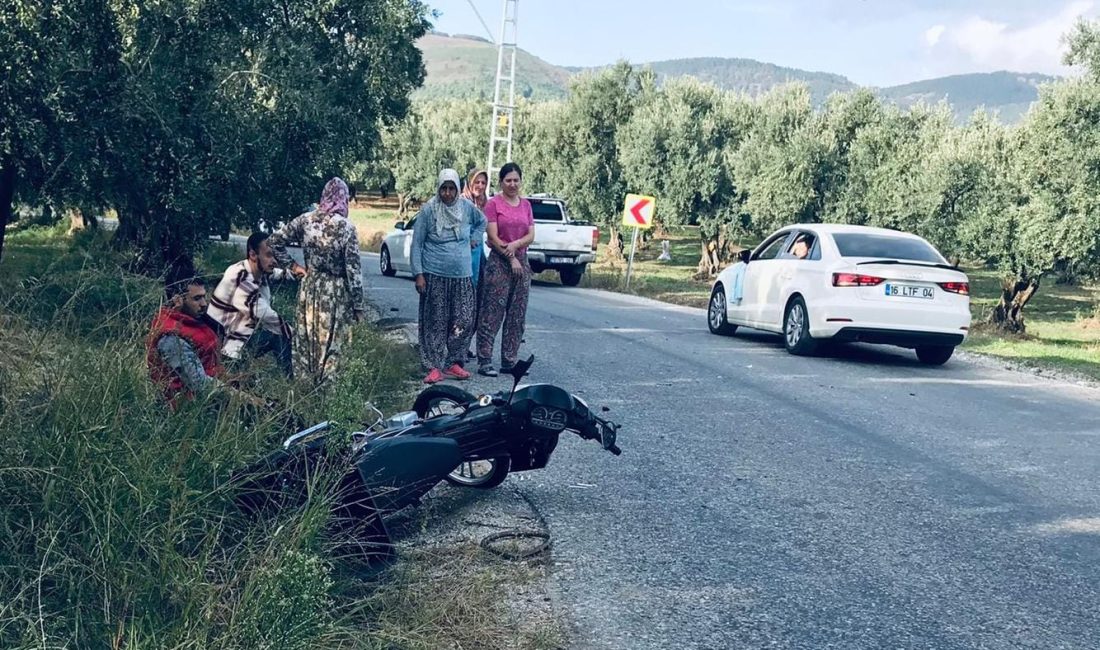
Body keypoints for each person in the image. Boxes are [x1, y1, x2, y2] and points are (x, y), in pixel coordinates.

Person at [269, 177, 366, 385]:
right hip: (337, 291)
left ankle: (305, 387)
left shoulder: (305, 220)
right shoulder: (347, 228)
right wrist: (358, 306)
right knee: (333, 342)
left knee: (308, 337)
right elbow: (353, 270)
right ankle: (329, 392)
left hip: (310, 286)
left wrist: (294, 267)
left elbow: (274, 241)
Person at [411, 169, 487, 384]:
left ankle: (453, 362)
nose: (447, 193)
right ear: (438, 189)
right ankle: (434, 366)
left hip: (462, 275)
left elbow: (482, 222)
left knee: (464, 319)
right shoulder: (429, 211)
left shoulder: (466, 208)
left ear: (457, 188)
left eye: (451, 188)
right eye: (443, 188)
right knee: (435, 321)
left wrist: (474, 238)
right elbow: (417, 244)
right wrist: (419, 274)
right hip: (434, 274)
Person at [146, 277, 261, 409]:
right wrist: (248, 400)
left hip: (210, 394)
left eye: (204, 297)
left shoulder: (189, 321)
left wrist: (232, 378)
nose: (204, 303)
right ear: (177, 300)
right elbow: (200, 384)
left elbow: (207, 367)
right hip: (190, 409)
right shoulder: (171, 337)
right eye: (197, 298)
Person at [206, 232, 295, 377]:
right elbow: (264, 314)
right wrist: (296, 334)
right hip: (226, 347)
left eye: (275, 256)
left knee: (279, 334)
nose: (274, 261)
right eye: (269, 255)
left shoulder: (258, 271)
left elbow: (277, 273)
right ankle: (291, 381)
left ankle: (290, 378)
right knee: (279, 335)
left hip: (238, 338)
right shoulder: (240, 276)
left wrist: (297, 273)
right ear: (253, 255)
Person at [476, 162, 535, 377]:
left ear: (520, 181)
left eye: (516, 180)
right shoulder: (493, 204)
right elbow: (492, 236)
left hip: (521, 261)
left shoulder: (526, 205)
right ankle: (484, 360)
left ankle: (509, 359)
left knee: (517, 314)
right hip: (499, 263)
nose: (512, 184)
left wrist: (516, 247)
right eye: (508, 180)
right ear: (501, 182)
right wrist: (510, 257)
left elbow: (530, 235)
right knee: (492, 312)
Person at [461, 168, 489, 292]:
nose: (480, 186)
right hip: (464, 253)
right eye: (477, 182)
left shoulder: (484, 202)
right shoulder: (462, 202)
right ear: (470, 183)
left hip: (478, 252)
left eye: (483, 183)